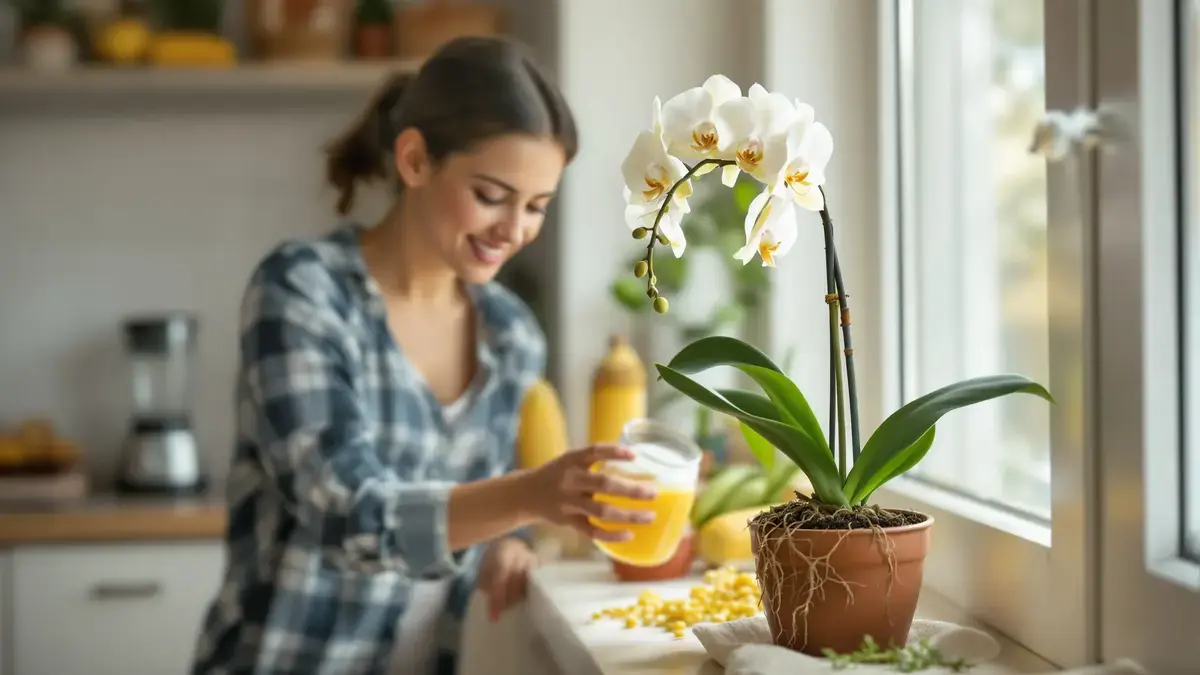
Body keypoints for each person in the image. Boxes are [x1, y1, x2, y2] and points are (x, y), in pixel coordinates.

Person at [190, 36, 657, 675]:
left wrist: (510, 541)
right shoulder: (302, 291)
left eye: (537, 207)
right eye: (492, 195)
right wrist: (528, 498)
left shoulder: (512, 334)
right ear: (414, 159)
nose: (514, 229)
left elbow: (483, 506)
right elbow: (344, 513)